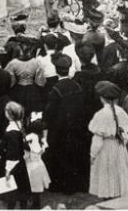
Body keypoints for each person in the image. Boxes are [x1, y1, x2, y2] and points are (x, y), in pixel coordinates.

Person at [42, 52, 89, 194]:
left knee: (61, 156)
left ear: (56, 71)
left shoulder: (55, 90)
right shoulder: (77, 86)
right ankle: (76, 184)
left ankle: (62, 185)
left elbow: (49, 113)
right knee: (75, 155)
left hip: (60, 130)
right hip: (76, 127)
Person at [88, 81, 128, 198]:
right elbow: (126, 135)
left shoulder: (101, 114)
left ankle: (107, 198)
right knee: (118, 172)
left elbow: (97, 140)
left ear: (102, 98)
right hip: (119, 147)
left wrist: (93, 155)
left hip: (105, 148)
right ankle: (118, 196)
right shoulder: (121, 112)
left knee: (107, 173)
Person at [0, 102, 31, 209]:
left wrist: (8, 170)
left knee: (12, 193)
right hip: (20, 165)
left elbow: (13, 153)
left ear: (9, 114)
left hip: (12, 166)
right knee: (21, 192)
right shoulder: (18, 126)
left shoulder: (11, 132)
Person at [5, 36, 46, 115]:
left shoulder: (13, 63)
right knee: (31, 111)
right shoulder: (36, 62)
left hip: (18, 90)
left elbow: (10, 81)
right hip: (32, 90)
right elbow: (40, 82)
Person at [24, 113, 50, 209]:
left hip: (31, 165)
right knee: (37, 186)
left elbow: (26, 148)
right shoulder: (41, 138)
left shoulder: (30, 137)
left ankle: (34, 204)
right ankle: (36, 203)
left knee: (32, 185)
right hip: (39, 164)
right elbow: (43, 149)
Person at [73, 44, 103, 123]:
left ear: (79, 59)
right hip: (99, 109)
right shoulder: (100, 71)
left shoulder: (79, 76)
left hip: (84, 113)